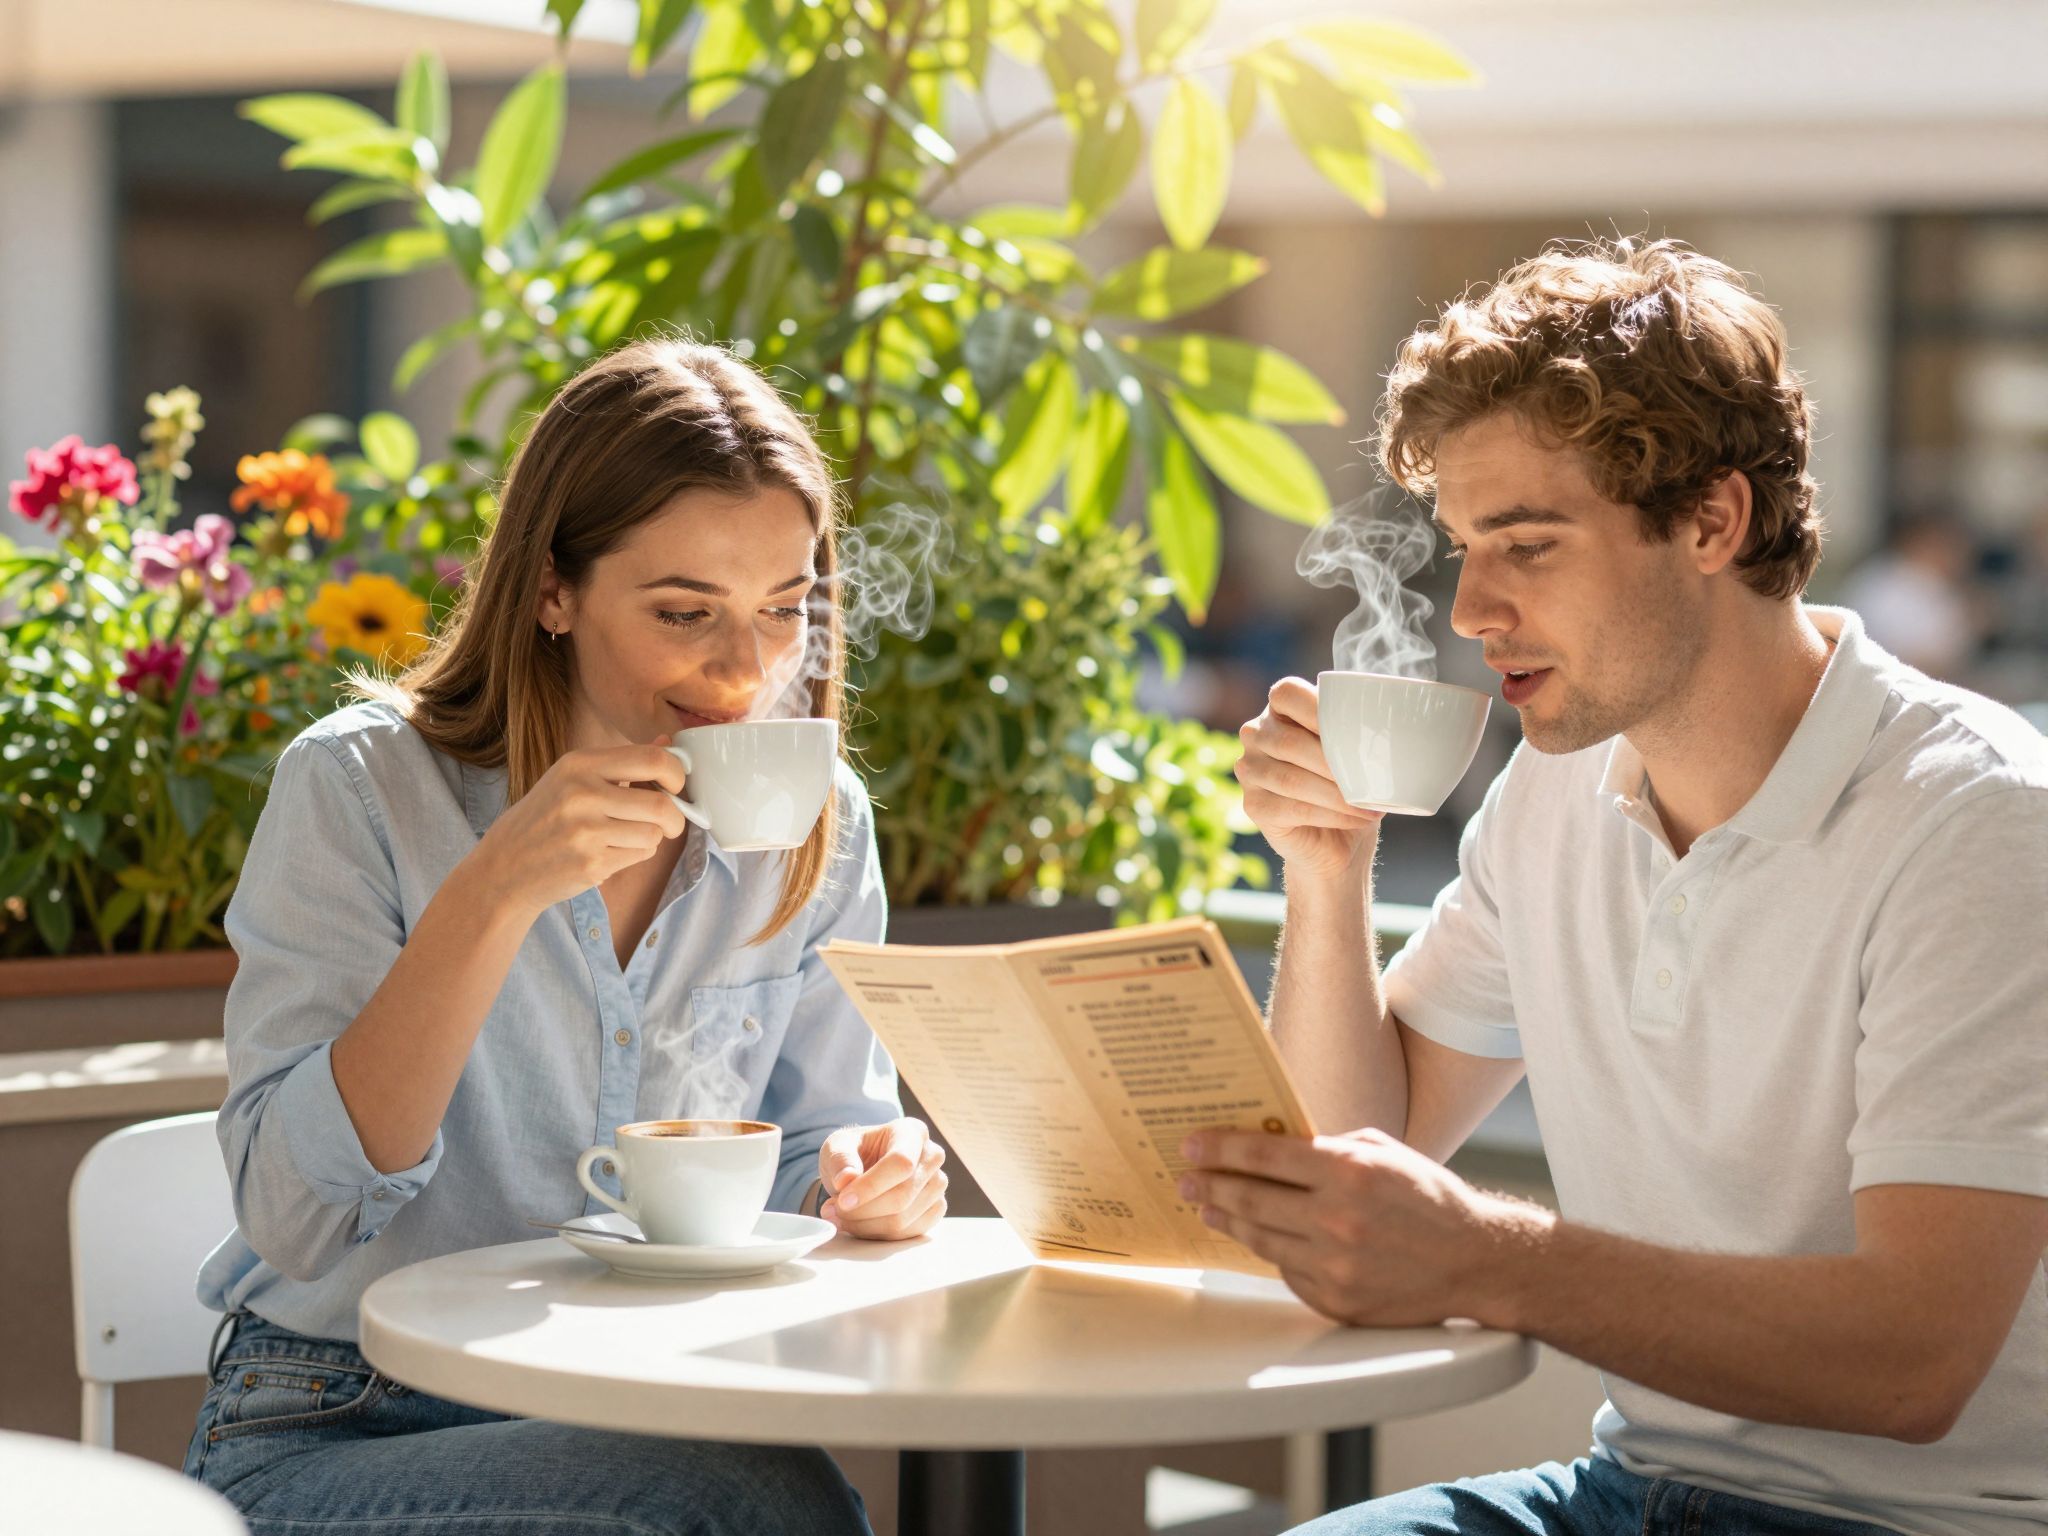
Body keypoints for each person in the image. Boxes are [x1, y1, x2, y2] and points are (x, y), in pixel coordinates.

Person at [1196, 239, 2048, 1536]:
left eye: (1527, 546)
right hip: (1627, 1492)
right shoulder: (1555, 786)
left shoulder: (1976, 821)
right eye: (1464, 547)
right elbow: (1362, 1151)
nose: (1469, 609)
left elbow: (1911, 1361)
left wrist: (1486, 1258)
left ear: (1711, 521)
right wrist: (1325, 871)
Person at [185, 337, 948, 1535]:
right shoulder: (362, 787)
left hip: (635, 1399)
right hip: (339, 1418)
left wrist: (862, 1178)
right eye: (684, 612)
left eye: (783, 609)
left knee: (739, 1493)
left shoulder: (816, 824)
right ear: (553, 590)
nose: (747, 667)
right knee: (751, 1504)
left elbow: (813, 1141)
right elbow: (296, 1216)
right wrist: (491, 895)